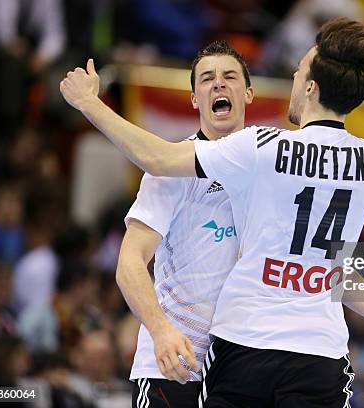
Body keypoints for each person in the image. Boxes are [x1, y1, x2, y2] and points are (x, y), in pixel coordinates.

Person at [60, 17, 364, 407]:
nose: (293, 78)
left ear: (309, 88)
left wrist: (90, 104)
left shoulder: (263, 148)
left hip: (239, 348)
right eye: (207, 79)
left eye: (297, 73)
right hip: (296, 352)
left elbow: (155, 155)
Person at [116, 41, 253, 407]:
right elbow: (129, 263)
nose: (219, 84)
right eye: (207, 79)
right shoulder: (170, 170)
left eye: (229, 77)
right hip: (174, 363)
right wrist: (160, 331)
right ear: (195, 99)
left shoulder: (268, 167)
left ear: (249, 93)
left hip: (241, 367)